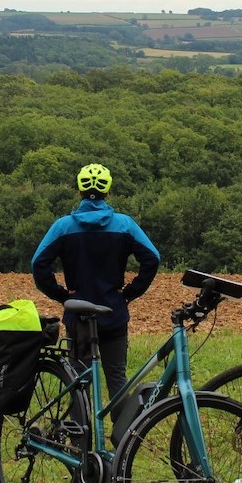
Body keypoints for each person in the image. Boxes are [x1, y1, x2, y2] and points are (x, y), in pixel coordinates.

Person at [31, 163, 161, 410]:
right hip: (113, 313)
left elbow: (38, 264)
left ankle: (78, 439)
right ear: (107, 191)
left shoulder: (63, 226)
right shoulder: (125, 225)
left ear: (79, 190)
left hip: (78, 314)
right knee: (117, 379)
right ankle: (122, 442)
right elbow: (152, 258)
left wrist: (60, 294)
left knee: (78, 381)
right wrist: (131, 292)